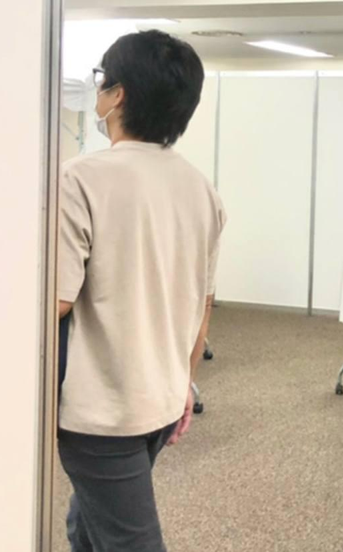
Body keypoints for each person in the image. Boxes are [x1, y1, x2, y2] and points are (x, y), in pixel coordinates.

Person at [57, 30, 226, 552]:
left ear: (119, 94)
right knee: (87, 527)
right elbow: (202, 305)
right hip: (162, 398)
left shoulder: (79, 178)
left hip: (104, 411)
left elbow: (56, 301)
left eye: (101, 80)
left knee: (128, 540)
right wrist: (184, 385)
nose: (98, 91)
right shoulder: (200, 187)